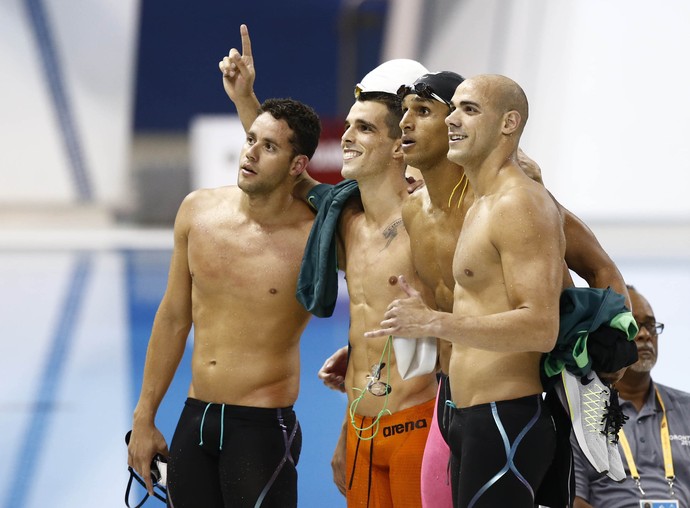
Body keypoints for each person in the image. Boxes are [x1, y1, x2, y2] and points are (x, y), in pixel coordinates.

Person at [220, 25, 437, 507]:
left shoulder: (429, 222)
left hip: (417, 427)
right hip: (360, 430)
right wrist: (245, 100)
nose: (347, 136)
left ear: (401, 145)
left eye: (363, 128)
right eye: (351, 125)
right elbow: (289, 178)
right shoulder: (346, 222)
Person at [365, 74, 568, 508]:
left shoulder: (521, 203)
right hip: (462, 411)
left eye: (469, 110)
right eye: (453, 108)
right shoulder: (481, 204)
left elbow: (540, 326)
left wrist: (435, 321)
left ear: (509, 123)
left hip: (506, 416)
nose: (453, 119)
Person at [126, 97, 321, 507]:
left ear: (298, 166)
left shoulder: (315, 233)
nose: (250, 152)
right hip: (195, 417)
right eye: (250, 139)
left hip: (262, 427)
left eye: (269, 147)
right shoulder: (198, 211)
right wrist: (143, 418)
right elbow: (174, 318)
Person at [573, 285, 690, 508]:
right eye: (634, 325)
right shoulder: (582, 414)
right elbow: (573, 500)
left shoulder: (686, 408)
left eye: (650, 325)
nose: (646, 334)